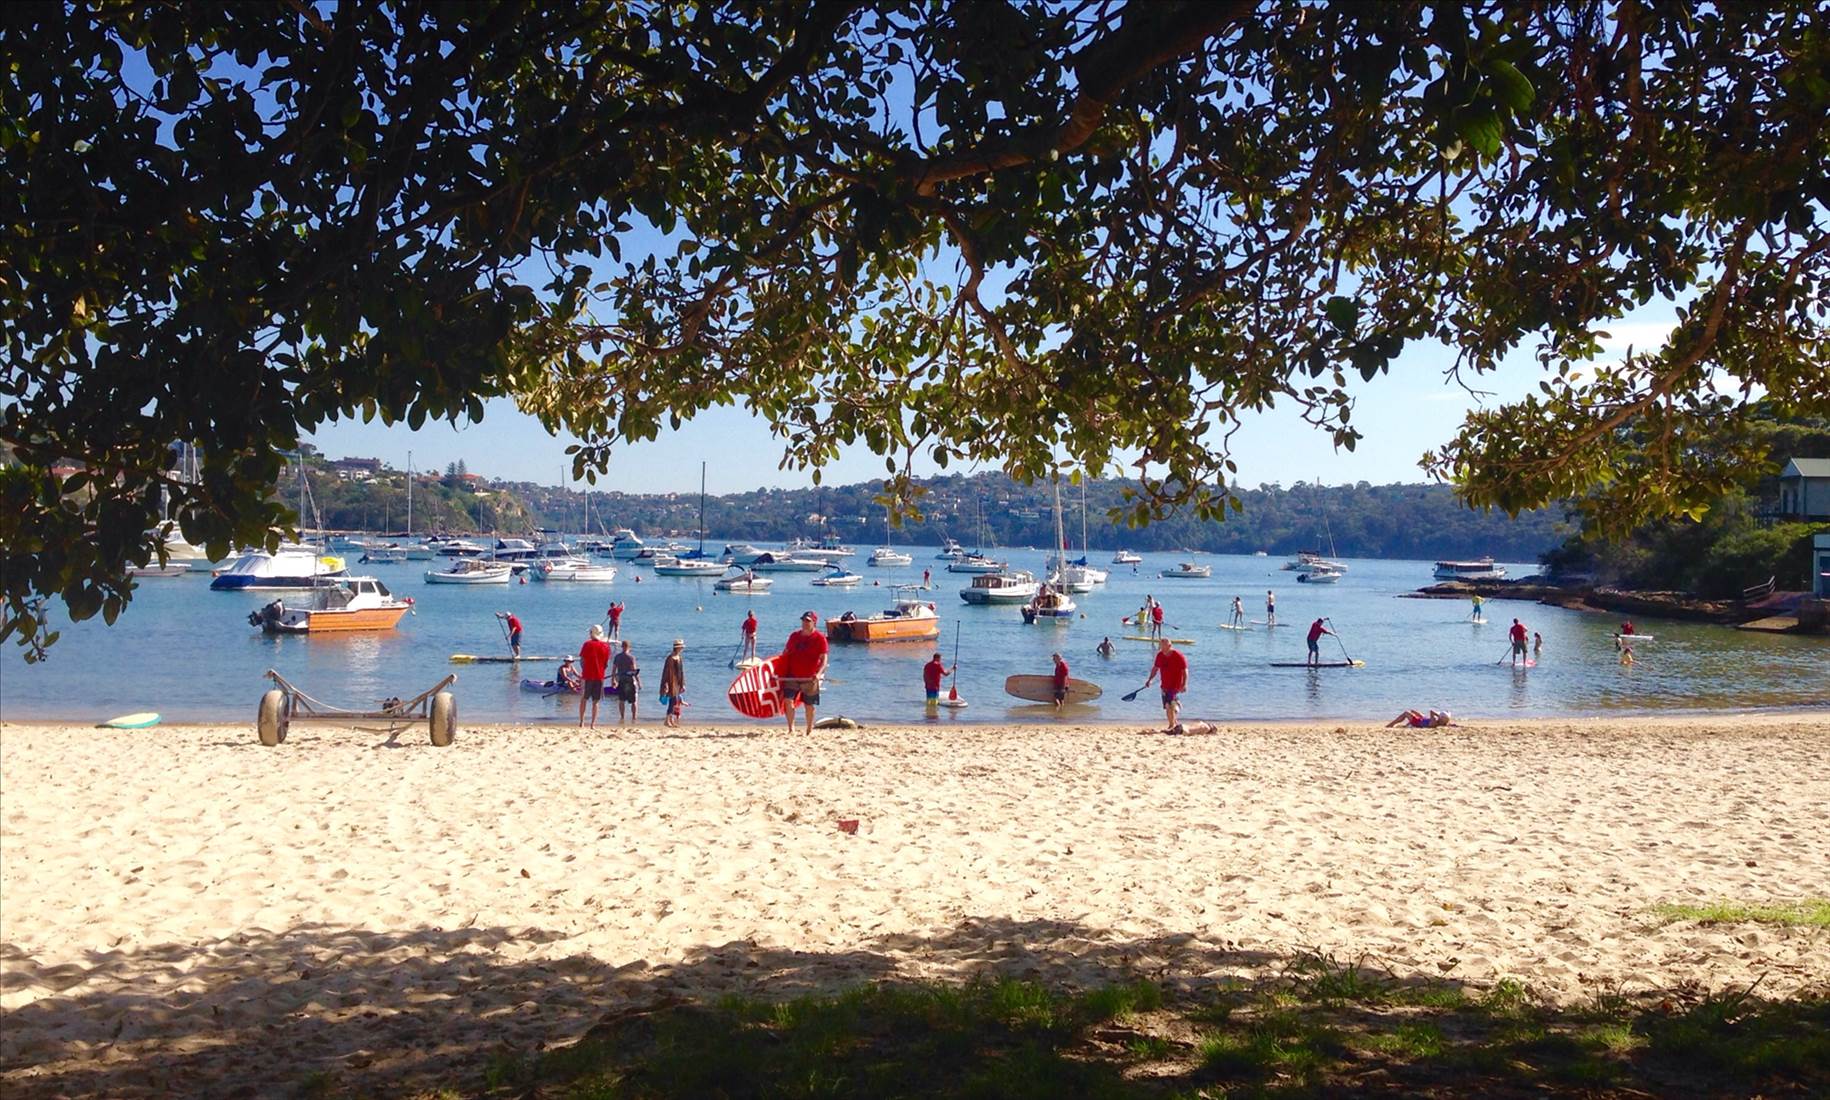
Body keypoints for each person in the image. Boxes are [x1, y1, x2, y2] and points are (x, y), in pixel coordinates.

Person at [777, 610, 829, 734]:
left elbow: (824, 659)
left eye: (808, 621)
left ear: (814, 622)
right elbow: (785, 653)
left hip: (810, 677)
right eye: (803, 620)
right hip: (792, 675)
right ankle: (791, 729)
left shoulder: (820, 638)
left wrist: (819, 674)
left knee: (809, 705)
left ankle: (809, 729)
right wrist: (778, 668)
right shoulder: (794, 636)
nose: (805, 623)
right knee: (788, 701)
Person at [1142, 637, 1188, 730]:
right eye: (1161, 645)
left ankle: (1171, 725)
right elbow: (1155, 668)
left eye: (1164, 646)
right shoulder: (1160, 655)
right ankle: (1174, 719)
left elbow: (1185, 671)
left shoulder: (1178, 655)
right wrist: (1150, 679)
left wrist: (1184, 684)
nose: (1162, 648)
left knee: (1169, 705)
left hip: (1175, 685)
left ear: (1170, 646)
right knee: (1167, 705)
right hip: (1164, 686)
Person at [577, 625, 611, 729]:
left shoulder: (587, 644)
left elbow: (582, 661)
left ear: (592, 633)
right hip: (599, 676)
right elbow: (606, 664)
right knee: (595, 702)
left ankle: (582, 722)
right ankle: (593, 724)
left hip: (587, 675)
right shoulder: (606, 646)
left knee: (584, 699)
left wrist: (584, 670)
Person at [612, 639, 641, 724]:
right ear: (629, 647)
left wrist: (613, 680)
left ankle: (622, 717)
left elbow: (614, 670)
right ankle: (634, 718)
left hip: (621, 680)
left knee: (621, 700)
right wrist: (639, 682)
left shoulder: (617, 657)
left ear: (622, 647)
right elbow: (634, 671)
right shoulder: (631, 658)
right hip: (630, 680)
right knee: (634, 701)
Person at [659, 638, 687, 728]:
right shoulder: (670, 658)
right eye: (681, 647)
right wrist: (666, 684)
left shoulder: (679, 657)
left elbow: (681, 671)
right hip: (671, 682)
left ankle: (671, 720)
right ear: (677, 648)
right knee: (673, 700)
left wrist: (683, 683)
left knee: (675, 701)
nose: (682, 649)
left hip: (677, 682)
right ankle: (667, 720)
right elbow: (667, 672)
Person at [1386, 708, 1453, 728]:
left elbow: (1431, 711)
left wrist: (1438, 716)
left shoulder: (1434, 721)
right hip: (1422, 721)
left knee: (1406, 713)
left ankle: (1391, 724)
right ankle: (1407, 725)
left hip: (1417, 722)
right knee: (1414, 712)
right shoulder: (1440, 723)